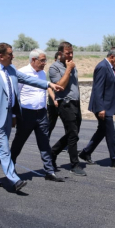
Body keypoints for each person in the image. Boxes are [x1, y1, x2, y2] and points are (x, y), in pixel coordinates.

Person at [0, 42, 62, 192]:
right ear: (1, 56)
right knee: (3, 148)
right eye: (10, 54)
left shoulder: (11, 69)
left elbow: (28, 79)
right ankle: (13, 179)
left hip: (8, 116)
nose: (13, 56)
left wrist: (48, 84)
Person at [10, 49, 64, 182]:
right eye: (42, 60)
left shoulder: (43, 73)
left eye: (45, 60)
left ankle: (49, 172)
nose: (45, 63)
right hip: (26, 114)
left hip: (41, 114)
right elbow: (15, 95)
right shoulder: (22, 72)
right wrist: (14, 115)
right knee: (19, 142)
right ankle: (10, 168)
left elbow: (45, 90)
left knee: (44, 143)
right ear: (33, 60)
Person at [79, 48, 115, 170]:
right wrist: (101, 108)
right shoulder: (102, 67)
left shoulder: (110, 67)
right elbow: (98, 89)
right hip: (102, 107)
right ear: (112, 56)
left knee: (102, 131)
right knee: (110, 133)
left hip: (106, 107)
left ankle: (85, 153)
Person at [50, 42, 87, 176]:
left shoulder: (72, 65)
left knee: (73, 133)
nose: (70, 55)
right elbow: (60, 86)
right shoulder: (54, 68)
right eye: (67, 53)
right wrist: (68, 69)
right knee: (72, 134)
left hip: (75, 103)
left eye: (71, 53)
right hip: (65, 103)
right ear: (60, 53)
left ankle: (52, 152)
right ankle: (74, 164)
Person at [47, 50, 61, 137]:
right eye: (59, 60)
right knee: (50, 124)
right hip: (53, 103)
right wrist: (54, 99)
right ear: (55, 60)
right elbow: (49, 88)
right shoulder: (50, 71)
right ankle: (45, 141)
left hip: (63, 102)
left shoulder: (64, 71)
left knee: (70, 125)